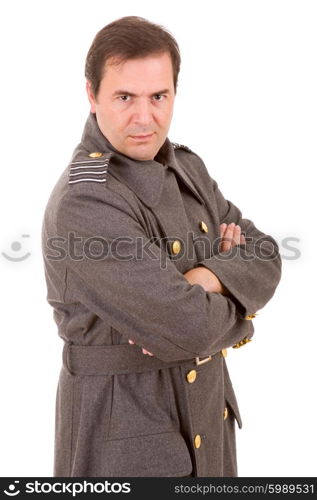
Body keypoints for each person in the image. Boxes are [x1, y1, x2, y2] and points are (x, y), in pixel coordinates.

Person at [41, 16, 282, 477]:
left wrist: (208, 277)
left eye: (159, 97)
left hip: (208, 426)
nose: (145, 117)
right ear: (92, 95)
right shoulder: (86, 198)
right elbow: (188, 328)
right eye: (125, 97)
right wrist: (230, 290)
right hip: (128, 438)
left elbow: (266, 253)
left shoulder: (186, 167)